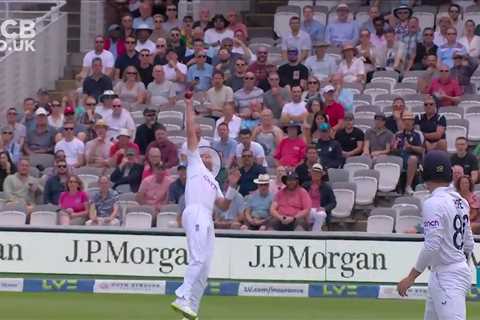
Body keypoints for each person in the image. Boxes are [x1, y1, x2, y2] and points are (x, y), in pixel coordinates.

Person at [171, 94, 240, 320]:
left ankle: (190, 311)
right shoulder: (194, 162)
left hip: (208, 217)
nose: (209, 158)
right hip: (195, 211)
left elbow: (223, 205)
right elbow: (191, 131)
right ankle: (181, 297)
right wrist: (189, 104)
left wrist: (232, 185)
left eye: (212, 157)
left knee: (205, 268)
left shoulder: (215, 182)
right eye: (207, 155)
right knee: (198, 258)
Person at [397, 151, 474, 320]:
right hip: (452, 271)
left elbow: (432, 244)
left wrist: (411, 277)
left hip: (447, 275)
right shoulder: (461, 201)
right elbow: (468, 243)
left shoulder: (432, 203)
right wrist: (462, 267)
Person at [392, 111, 424, 195]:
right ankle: (393, 187)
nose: (407, 122)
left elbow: (422, 150)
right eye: (405, 120)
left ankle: (408, 186)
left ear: (413, 121)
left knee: (412, 159)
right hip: (399, 158)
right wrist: (394, 147)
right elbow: (394, 151)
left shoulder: (418, 134)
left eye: (409, 120)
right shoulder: (398, 135)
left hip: (412, 158)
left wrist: (411, 147)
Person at [302, 163, 336, 231]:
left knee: (321, 215)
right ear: (311, 174)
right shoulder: (305, 185)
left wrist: (324, 208)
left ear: (321, 175)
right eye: (314, 173)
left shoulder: (327, 187)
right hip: (307, 210)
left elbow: (333, 202)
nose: (316, 175)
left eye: (318, 173)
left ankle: (314, 234)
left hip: (319, 210)